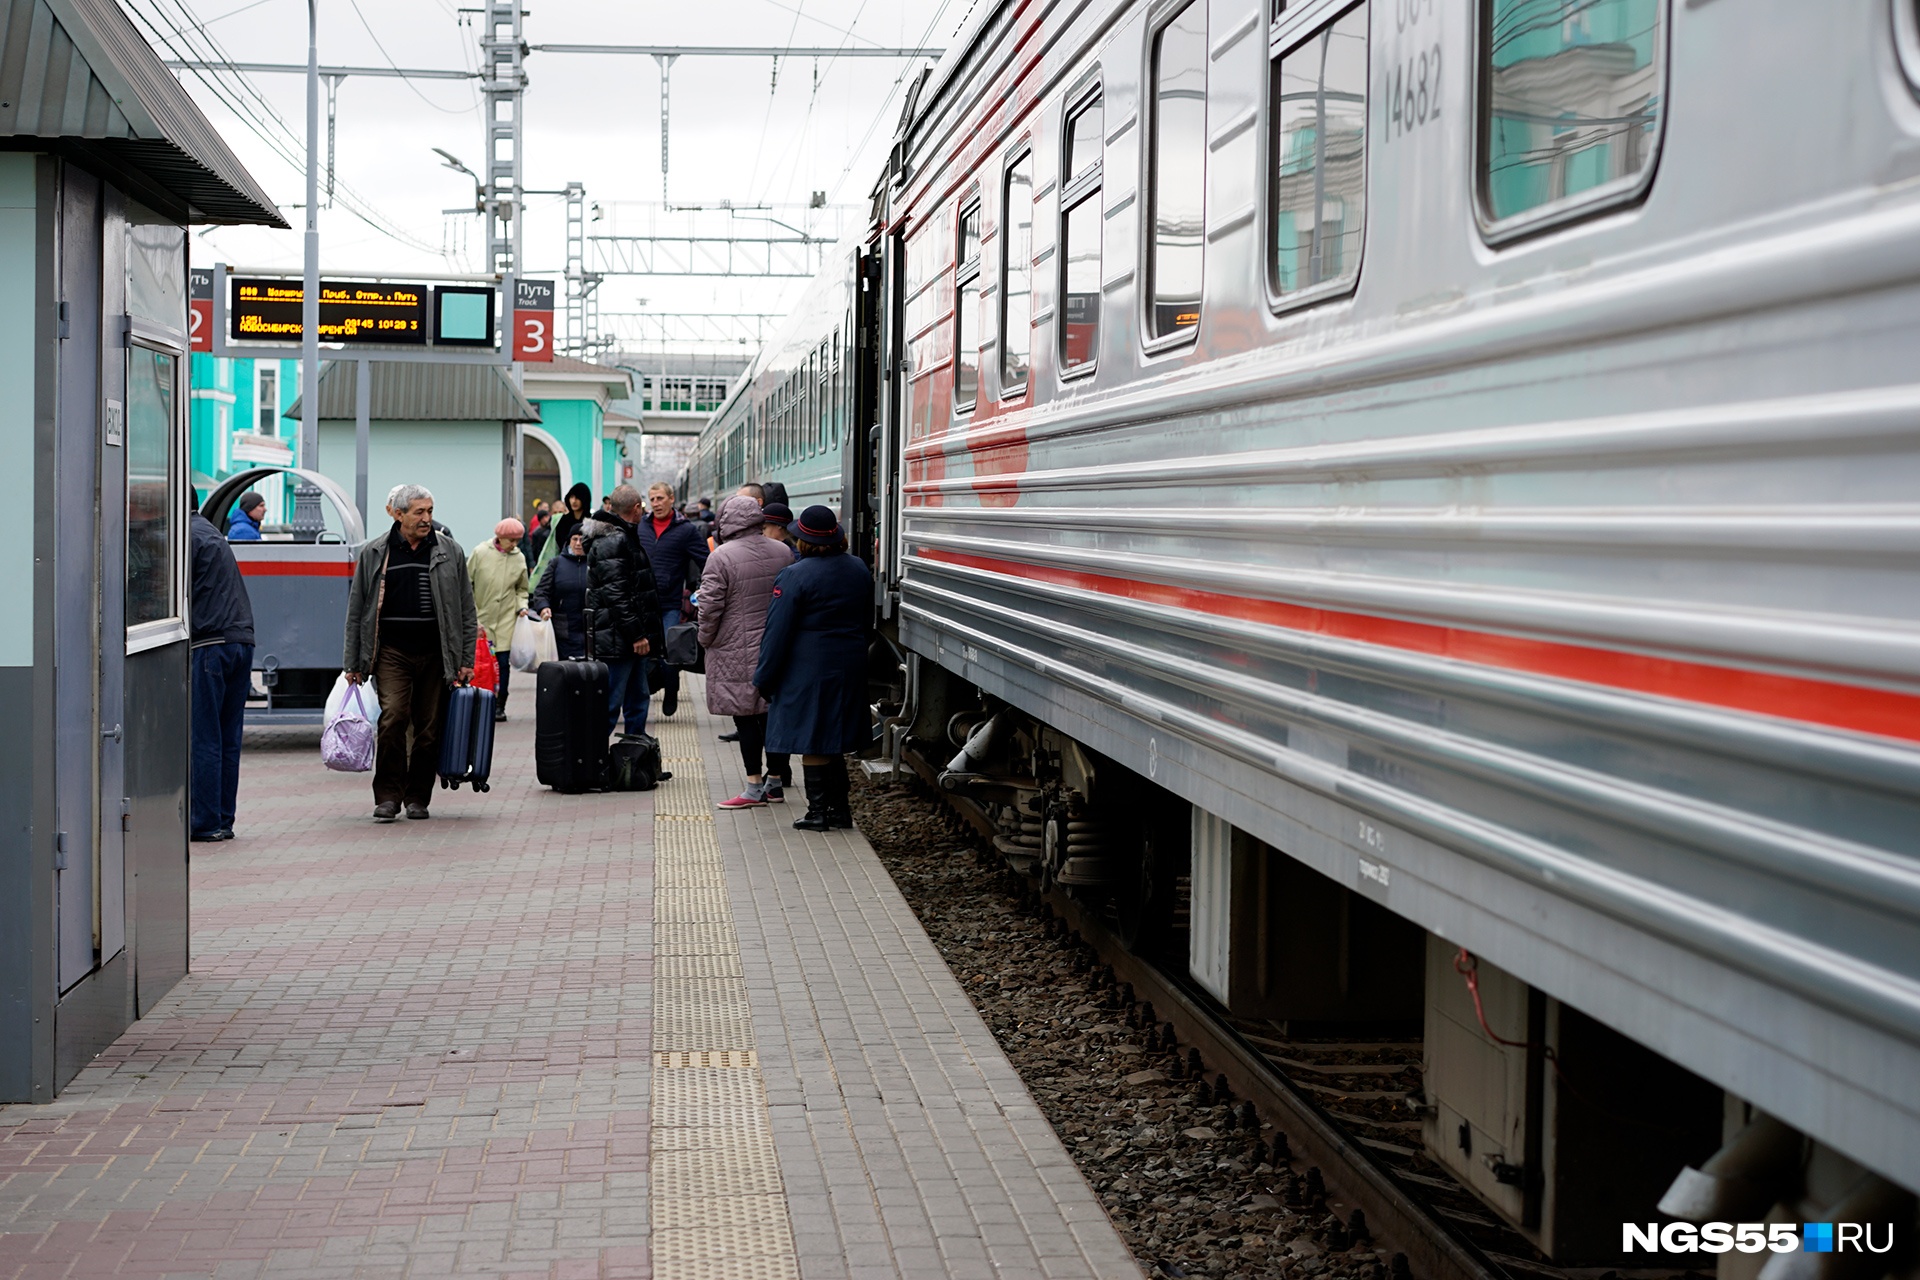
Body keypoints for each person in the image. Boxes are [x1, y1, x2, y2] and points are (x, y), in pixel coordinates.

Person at [343, 485, 478, 823]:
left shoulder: (450, 552)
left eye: (429, 511)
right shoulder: (376, 552)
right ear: (398, 514)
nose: (427, 519)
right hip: (392, 652)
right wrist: (353, 662)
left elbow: (466, 610)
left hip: (436, 653)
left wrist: (465, 660)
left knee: (429, 728)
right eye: (419, 512)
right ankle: (388, 795)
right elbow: (357, 609)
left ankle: (418, 796)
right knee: (393, 718)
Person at [754, 505, 873, 831]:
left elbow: (776, 633)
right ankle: (840, 812)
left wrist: (764, 677)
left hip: (809, 670)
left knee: (813, 740)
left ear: (802, 539)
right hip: (850, 664)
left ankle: (818, 813)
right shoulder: (858, 568)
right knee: (833, 739)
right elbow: (868, 622)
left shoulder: (795, 575)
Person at [699, 495, 797, 808]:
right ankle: (776, 782)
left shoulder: (721, 556)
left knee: (745, 717)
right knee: (773, 713)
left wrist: (705, 639)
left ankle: (753, 787)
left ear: (726, 520)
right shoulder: (782, 551)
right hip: (776, 645)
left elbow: (710, 607)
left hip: (733, 648)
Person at [189, 497, 254, 841]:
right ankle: (223, 820)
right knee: (228, 738)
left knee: (204, 736)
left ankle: (204, 822)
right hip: (241, 640)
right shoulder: (211, 533)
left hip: (209, 644)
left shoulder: (185, 537)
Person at [580, 484, 664, 738]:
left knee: (638, 698)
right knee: (610, 704)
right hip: (618, 640)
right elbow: (616, 595)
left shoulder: (622, 535)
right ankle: (592, 765)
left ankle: (634, 754)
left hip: (625, 637)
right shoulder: (614, 541)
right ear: (636, 508)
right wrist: (636, 634)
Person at [635, 481, 708, 718]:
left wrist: (703, 590)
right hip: (642, 604)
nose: (656, 504)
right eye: (652, 499)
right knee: (643, 652)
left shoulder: (685, 530)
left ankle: (671, 688)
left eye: (660, 498)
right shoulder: (640, 527)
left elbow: (706, 562)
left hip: (670, 603)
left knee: (671, 650)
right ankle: (641, 698)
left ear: (671, 499)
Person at [470, 518, 530, 722]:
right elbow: (467, 585)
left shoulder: (519, 558)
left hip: (506, 619)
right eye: (511, 540)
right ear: (500, 537)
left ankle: (499, 704)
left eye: (517, 541)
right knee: (480, 663)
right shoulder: (480, 553)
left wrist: (522, 606)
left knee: (503, 664)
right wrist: (472, 616)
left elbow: (522, 589)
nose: (514, 544)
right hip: (481, 618)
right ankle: (477, 700)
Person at [528, 528, 591, 659]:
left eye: (582, 539)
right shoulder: (557, 563)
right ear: (569, 542)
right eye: (575, 539)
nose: (578, 543)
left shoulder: (594, 564)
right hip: (563, 631)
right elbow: (541, 591)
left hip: (590, 631)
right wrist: (543, 607)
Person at [530, 482, 591, 584]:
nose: (574, 501)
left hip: (586, 566)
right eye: (572, 497)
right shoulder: (562, 521)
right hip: (565, 565)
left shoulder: (591, 522)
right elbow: (558, 544)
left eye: (577, 498)